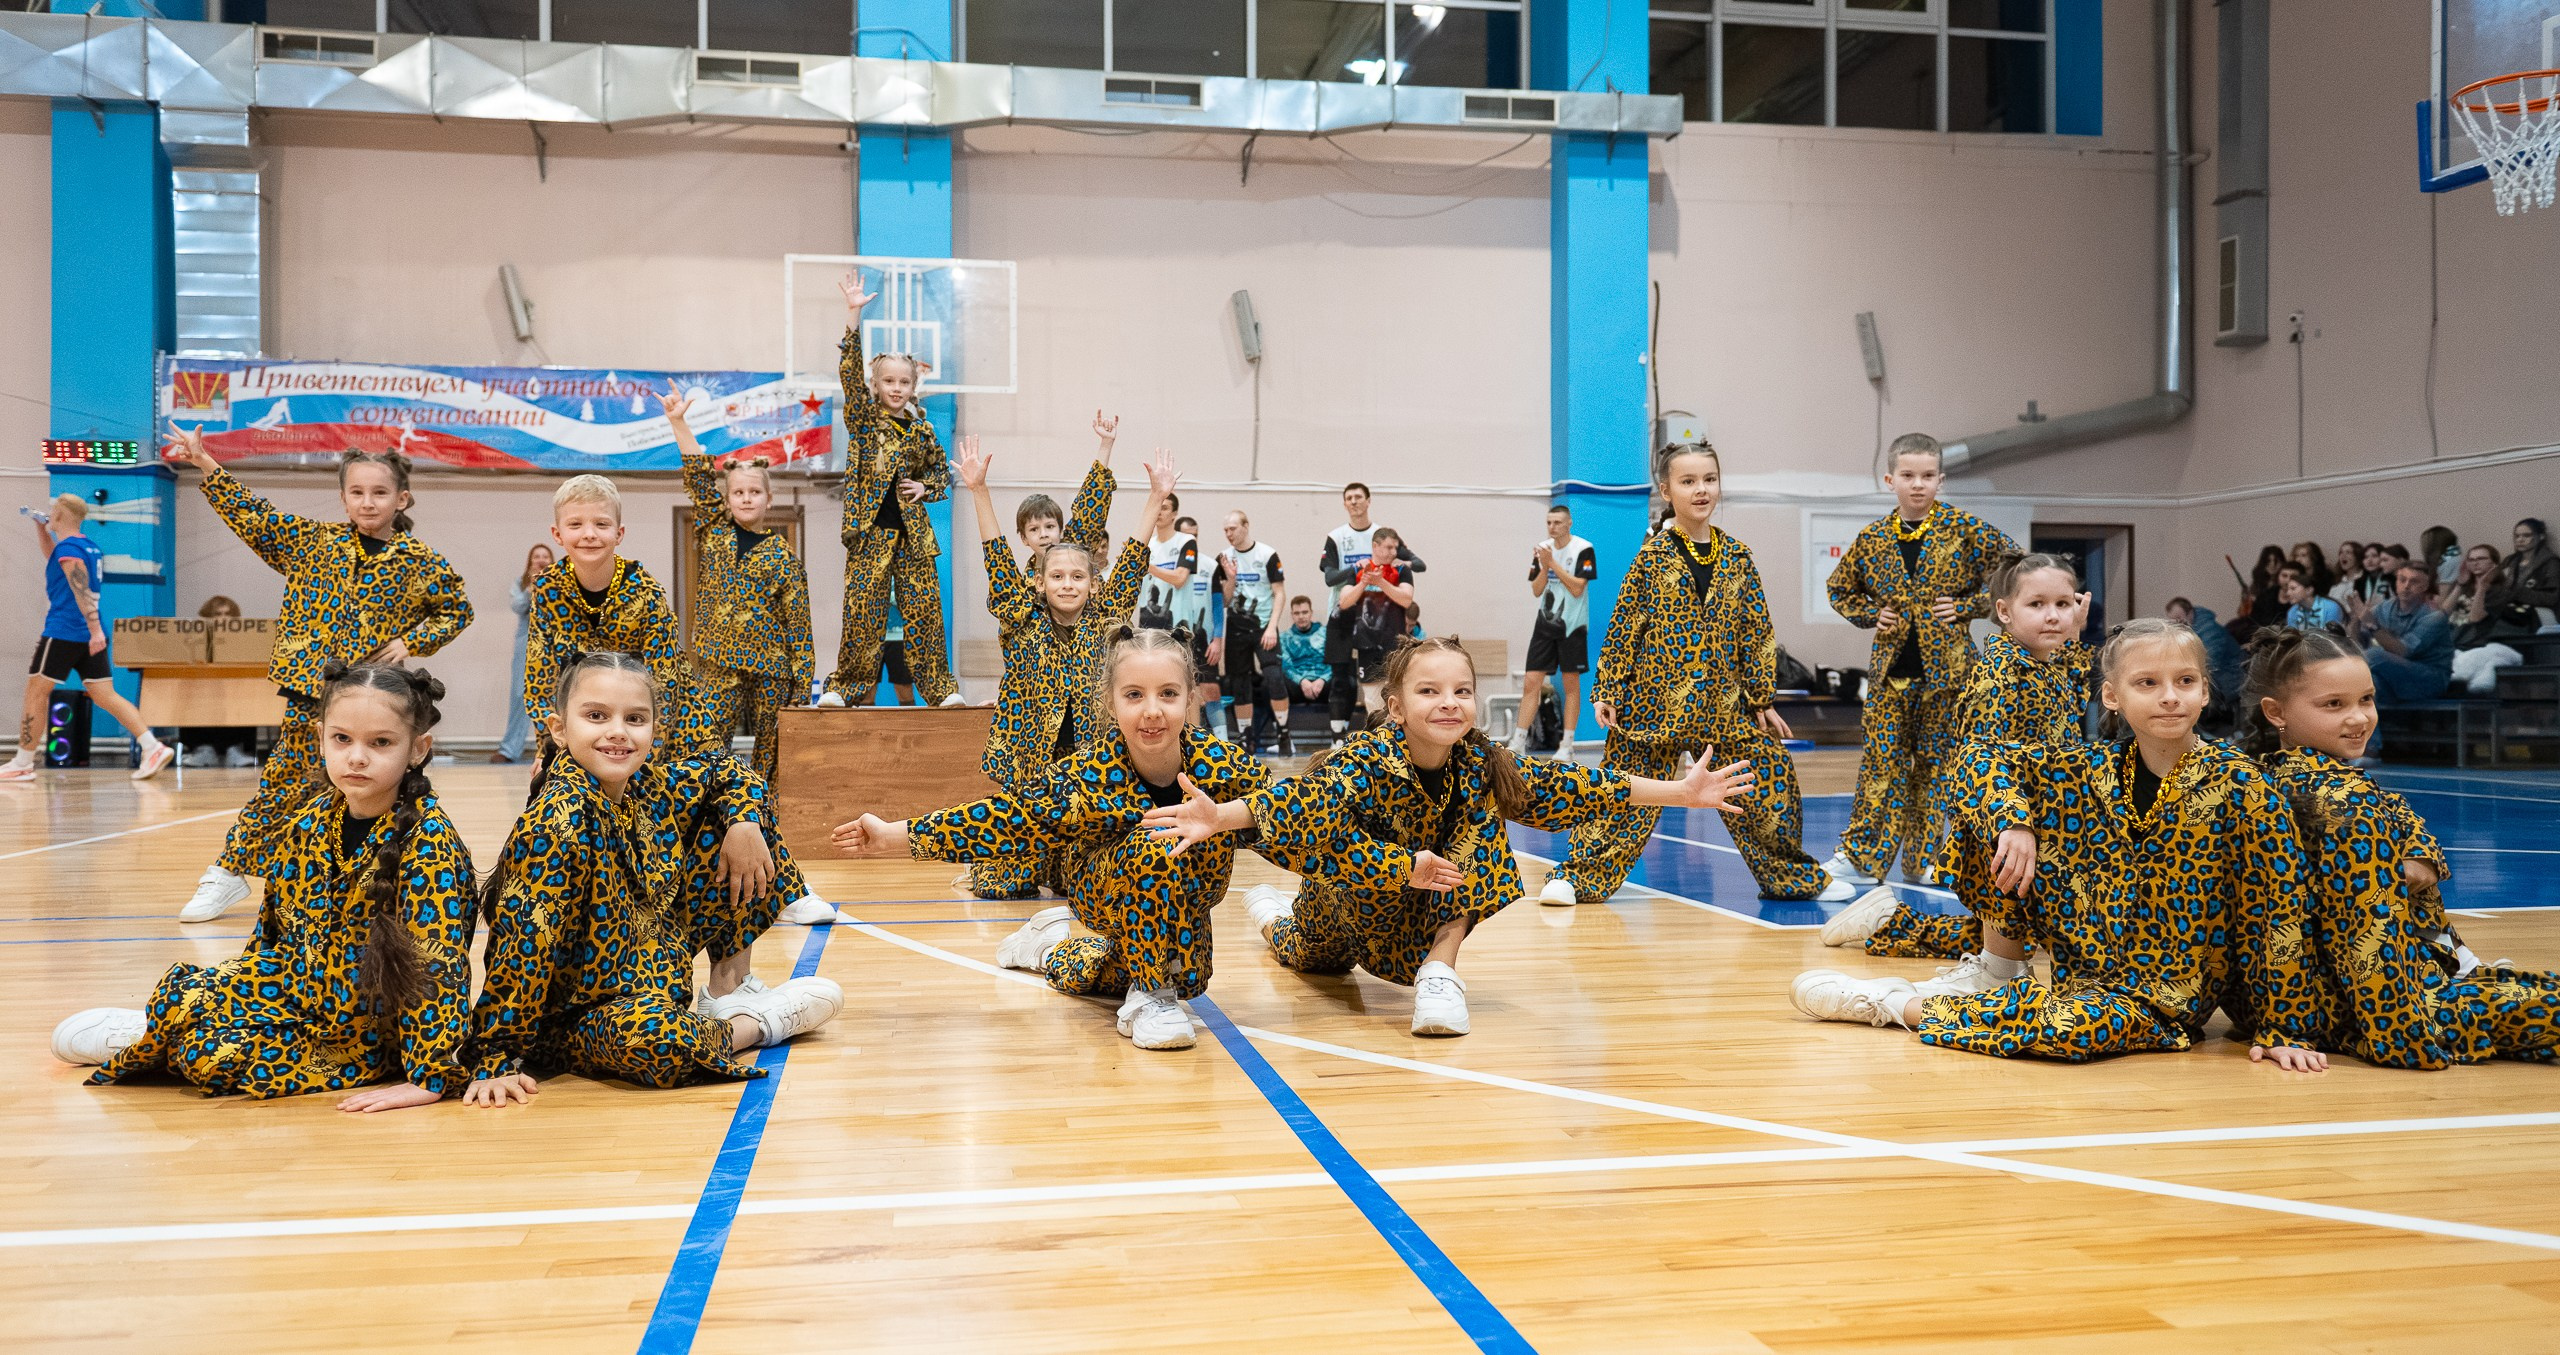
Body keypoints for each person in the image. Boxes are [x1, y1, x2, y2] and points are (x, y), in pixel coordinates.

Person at [1787, 619, 2329, 1071]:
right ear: (2112, 697)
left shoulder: (2242, 787)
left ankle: (1894, 1005)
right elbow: (1978, 756)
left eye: (2185, 681)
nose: (2169, 696)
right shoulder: (2085, 769)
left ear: (2205, 692)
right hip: (2083, 967)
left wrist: (2286, 1028)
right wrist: (2013, 821)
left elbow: (2276, 908)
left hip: (2164, 997)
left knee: (2073, 1033)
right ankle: (1996, 971)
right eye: (2147, 683)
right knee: (1992, 818)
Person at [1147, 636, 1755, 1037]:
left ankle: (1440, 975)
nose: (1449, 703)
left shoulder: (1482, 761)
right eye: (1429, 691)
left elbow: (1572, 787)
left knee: (1485, 822)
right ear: (1395, 705)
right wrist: (1219, 817)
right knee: (1303, 954)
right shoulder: (1361, 760)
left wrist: (1680, 793)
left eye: (1461, 691)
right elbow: (1304, 803)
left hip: (1425, 908)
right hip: (1345, 903)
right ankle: (1271, 912)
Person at [55, 663, 477, 1109]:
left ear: (418, 749)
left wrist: (429, 1076)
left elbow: (436, 969)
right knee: (184, 989)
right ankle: (164, 1027)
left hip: (363, 1035)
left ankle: (158, 1036)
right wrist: (241, 996)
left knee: (213, 1056)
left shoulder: (429, 847)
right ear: (320, 738)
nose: (357, 757)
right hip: (298, 996)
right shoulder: (308, 822)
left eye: (381, 743)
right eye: (342, 739)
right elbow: (270, 933)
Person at [832, 626, 1271, 1052]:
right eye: (1134, 694)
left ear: (1191, 698)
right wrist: (894, 835)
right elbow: (1006, 818)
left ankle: (1050, 949)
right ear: (1110, 702)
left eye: (1168, 694)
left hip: (1187, 901)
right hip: (1103, 892)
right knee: (1157, 846)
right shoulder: (1088, 774)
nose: (1152, 710)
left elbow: (1292, 814)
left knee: (1188, 977)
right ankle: (1151, 996)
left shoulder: (1223, 766)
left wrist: (1232, 819)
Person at [462, 651, 844, 1107]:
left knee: (741, 817)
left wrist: (743, 822)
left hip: (650, 975)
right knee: (659, 1044)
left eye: (635, 718)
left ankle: (728, 993)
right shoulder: (557, 824)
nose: (618, 731)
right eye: (596, 716)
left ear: (654, 731)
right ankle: (756, 1025)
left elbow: (726, 770)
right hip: (580, 1016)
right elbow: (523, 948)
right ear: (559, 728)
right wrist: (495, 1059)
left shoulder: (647, 784)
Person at [164, 429, 472, 923]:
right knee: (286, 784)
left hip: (375, 699)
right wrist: (204, 464)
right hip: (314, 692)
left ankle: (370, 880)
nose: (368, 502)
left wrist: (412, 643)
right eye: (357, 491)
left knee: (373, 791)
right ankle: (230, 870)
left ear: (402, 497)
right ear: (343, 497)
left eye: (380, 492)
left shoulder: (421, 563)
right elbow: (255, 517)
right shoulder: (313, 543)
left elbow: (457, 610)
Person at [1538, 442, 1856, 908]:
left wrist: (1761, 697)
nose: (1701, 490)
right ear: (1667, 491)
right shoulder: (1651, 558)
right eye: (1688, 482)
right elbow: (1626, 625)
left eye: (1709, 479)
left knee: (1768, 778)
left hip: (1724, 706)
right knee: (1623, 794)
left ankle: (1791, 876)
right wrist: (1607, 687)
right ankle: (1580, 877)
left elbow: (1757, 629)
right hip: (1652, 705)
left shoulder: (1739, 557)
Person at [2244, 627, 2560, 1066]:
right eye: (2333, 704)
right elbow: (2366, 929)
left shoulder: (2282, 774)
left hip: (2355, 989)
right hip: (2368, 1001)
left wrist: (2418, 856)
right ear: (2276, 712)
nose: (2358, 718)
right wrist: (2401, 1033)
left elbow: (2409, 827)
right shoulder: (2336, 797)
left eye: (2366, 699)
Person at [1821, 552, 2088, 967]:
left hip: (2041, 824)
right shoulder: (2000, 675)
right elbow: (1979, 758)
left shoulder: (2045, 664)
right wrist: (2011, 822)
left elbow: (2073, 697)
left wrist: (2075, 634)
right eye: (2036, 605)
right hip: (2001, 829)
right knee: (2017, 941)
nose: (2052, 615)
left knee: (2029, 932)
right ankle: (1893, 923)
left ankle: (1889, 919)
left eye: (2064, 604)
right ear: (2004, 611)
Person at [954, 439, 1173, 900]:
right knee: (1010, 884)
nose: (1068, 584)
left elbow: (1133, 557)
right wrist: (978, 490)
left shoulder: (1106, 614)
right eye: (1057, 577)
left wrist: (1155, 498)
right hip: (1031, 751)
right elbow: (995, 554)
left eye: (1077, 577)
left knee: (1091, 880)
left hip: (1089, 755)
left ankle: (1074, 867)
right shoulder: (1020, 613)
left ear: (1094, 584)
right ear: (1039, 580)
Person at [1819, 433, 2020, 889]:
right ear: (1890, 479)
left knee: (1936, 769)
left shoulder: (1965, 530)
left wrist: (1970, 605)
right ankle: (1861, 859)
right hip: (1891, 677)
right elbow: (1838, 589)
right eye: (1908, 475)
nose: (1918, 484)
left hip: (1949, 675)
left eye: (1928, 476)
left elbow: (2017, 568)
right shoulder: (1871, 540)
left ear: (1941, 480)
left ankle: (1924, 859)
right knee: (1880, 765)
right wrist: (1872, 613)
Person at [817, 269, 962, 710]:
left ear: (913, 386)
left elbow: (943, 475)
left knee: (925, 613)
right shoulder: (863, 422)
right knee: (862, 612)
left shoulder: (923, 432)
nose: (896, 388)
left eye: (904, 382)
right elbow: (847, 374)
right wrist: (853, 318)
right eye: (888, 381)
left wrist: (926, 486)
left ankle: (940, 689)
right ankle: (843, 686)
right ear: (876, 385)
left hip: (914, 539)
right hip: (869, 534)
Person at [666, 385, 816, 786]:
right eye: (738, 492)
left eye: (754, 492)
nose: (746, 499)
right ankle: (713, 808)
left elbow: (798, 624)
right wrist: (679, 422)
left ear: (768, 498)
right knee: (708, 742)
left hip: (771, 667)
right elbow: (698, 475)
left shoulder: (784, 556)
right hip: (717, 658)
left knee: (772, 749)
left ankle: (765, 814)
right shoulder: (714, 529)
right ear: (728, 498)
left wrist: (802, 684)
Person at [521, 475, 723, 769]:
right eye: (575, 524)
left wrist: (643, 758)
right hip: (599, 728)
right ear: (557, 534)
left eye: (601, 524)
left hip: (670, 731)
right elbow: (539, 678)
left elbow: (664, 684)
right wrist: (549, 746)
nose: (589, 534)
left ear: (619, 533)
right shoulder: (548, 590)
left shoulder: (646, 593)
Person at [4, 492, 177, 785]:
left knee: (36, 691)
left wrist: (94, 629)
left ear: (58, 516)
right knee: (104, 694)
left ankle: (22, 763)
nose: (48, 515)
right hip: (87, 632)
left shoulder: (70, 550)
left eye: (51, 512)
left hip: (65, 630)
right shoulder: (84, 546)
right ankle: (152, 746)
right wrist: (39, 530)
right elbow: (55, 559)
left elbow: (80, 589)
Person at [1320, 482, 1429, 733]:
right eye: (1349, 498)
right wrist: (1360, 572)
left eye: (1359, 497)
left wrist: (1399, 565)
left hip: (1390, 627)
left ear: (1369, 501)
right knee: (1344, 680)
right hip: (1348, 618)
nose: (1354, 502)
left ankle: (1397, 736)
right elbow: (1329, 579)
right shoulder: (1337, 537)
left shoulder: (1386, 537)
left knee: (1394, 686)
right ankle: (1340, 738)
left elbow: (1419, 565)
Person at [1511, 503, 1597, 759]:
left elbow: (1577, 588)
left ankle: (1566, 745)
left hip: (1573, 626)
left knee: (1571, 684)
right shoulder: (1542, 549)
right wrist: (1545, 565)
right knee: (1531, 682)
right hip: (1545, 625)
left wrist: (1554, 565)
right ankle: (1518, 741)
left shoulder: (1584, 549)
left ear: (1569, 523)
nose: (1552, 527)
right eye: (1549, 522)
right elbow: (1537, 590)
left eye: (1557, 522)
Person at [1210, 509, 1287, 751]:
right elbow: (1223, 601)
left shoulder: (1267, 554)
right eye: (1225, 530)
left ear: (1246, 526)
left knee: (1274, 677)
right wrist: (1231, 578)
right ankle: (1246, 737)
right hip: (1236, 628)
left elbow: (1280, 593)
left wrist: (1272, 626)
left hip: (1264, 625)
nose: (1228, 534)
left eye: (1232, 528)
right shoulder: (1223, 557)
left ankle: (1284, 735)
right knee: (1239, 684)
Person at [2349, 564, 2454, 704]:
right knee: (2371, 685)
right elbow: (2356, 645)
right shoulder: (2384, 608)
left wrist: (2372, 625)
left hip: (2429, 679)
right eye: (2402, 580)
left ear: (2426, 587)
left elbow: (2403, 651)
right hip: (2394, 676)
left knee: (2375, 655)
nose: (2406, 586)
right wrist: (2356, 619)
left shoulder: (2434, 617)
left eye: (2414, 582)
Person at [1341, 526, 1417, 718]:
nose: (1394, 552)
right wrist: (1365, 582)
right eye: (1389, 547)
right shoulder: (1359, 569)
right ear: (1375, 546)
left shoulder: (1401, 570)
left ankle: (1397, 742)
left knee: (1396, 697)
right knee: (1372, 701)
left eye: (1395, 548)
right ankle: (1380, 741)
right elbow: (1344, 602)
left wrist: (1382, 582)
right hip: (1367, 643)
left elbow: (1406, 599)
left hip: (1394, 644)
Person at [493, 545, 553, 764]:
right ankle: (510, 749)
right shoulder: (521, 584)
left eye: (545, 556)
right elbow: (518, 607)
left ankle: (553, 749)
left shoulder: (560, 581)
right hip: (526, 644)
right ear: (530, 561)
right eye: (536, 556)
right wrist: (531, 587)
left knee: (554, 697)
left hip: (552, 644)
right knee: (520, 694)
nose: (541, 560)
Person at [2164, 596, 2246, 732]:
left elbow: (2209, 663)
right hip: (2215, 679)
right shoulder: (2189, 630)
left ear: (2190, 613)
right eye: (2172, 621)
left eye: (2179, 619)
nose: (2177, 624)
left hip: (2227, 680)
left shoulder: (2210, 632)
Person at [2483, 517, 2559, 639]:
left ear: (2541, 537)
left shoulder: (2551, 563)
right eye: (2517, 536)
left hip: (2536, 613)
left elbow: (2552, 598)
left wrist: (2516, 591)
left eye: (2526, 535)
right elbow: (2495, 584)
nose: (2520, 540)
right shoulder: (2511, 560)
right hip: (2508, 609)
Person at [1278, 594, 1330, 739]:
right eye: (1297, 613)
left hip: (1323, 682)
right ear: (1292, 615)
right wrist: (1302, 681)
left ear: (1311, 613)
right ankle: (1283, 737)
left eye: (1305, 612)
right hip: (1296, 684)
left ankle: (1339, 737)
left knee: (1345, 679)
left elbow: (1334, 661)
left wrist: (1322, 680)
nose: (1301, 616)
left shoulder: (1325, 633)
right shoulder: (1284, 637)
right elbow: (1286, 665)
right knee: (1272, 681)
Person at [2278, 563, 2344, 632]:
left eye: (2293, 588)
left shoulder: (2331, 608)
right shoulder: (2292, 612)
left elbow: (2333, 638)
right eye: (2288, 589)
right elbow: (2292, 639)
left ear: (2309, 590)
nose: (2288, 593)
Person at [2327, 540, 2366, 609]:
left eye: (2348, 552)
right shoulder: (2336, 580)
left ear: (2357, 556)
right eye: (2341, 552)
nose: (2343, 556)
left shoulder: (2365, 580)